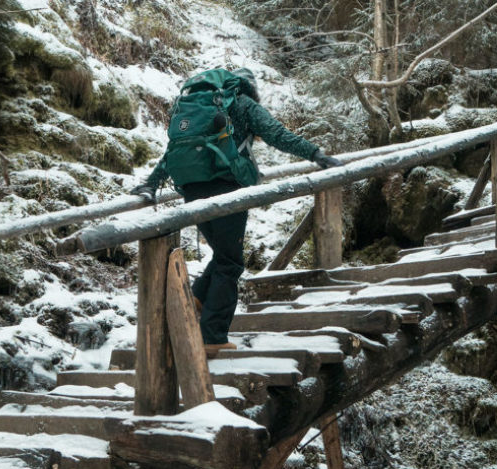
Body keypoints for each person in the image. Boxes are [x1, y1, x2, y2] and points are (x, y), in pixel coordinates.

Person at [131, 68, 343, 356]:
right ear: (250, 88)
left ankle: (196, 298)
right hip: (228, 188)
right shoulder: (241, 104)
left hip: (192, 188)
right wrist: (316, 154)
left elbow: (174, 150)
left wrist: (151, 183)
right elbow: (276, 133)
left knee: (223, 255)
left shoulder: (200, 106)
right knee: (230, 263)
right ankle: (212, 335)